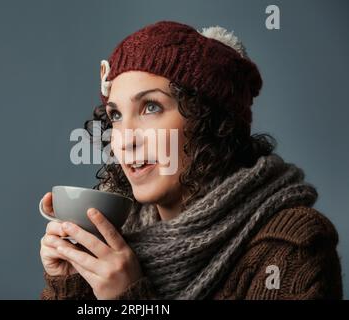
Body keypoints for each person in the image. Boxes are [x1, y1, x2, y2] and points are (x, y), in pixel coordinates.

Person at [39, 21, 342, 300]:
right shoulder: (114, 245)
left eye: (151, 107)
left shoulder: (293, 246)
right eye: (116, 115)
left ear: (211, 121)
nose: (125, 139)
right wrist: (71, 283)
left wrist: (128, 298)